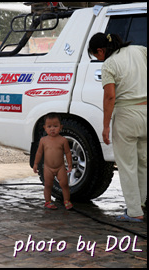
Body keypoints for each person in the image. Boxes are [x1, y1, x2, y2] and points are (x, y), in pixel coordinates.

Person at [88, 32, 147, 222]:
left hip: (127, 116)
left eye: (96, 56)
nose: (98, 60)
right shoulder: (140, 50)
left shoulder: (110, 64)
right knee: (143, 162)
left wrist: (106, 126)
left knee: (127, 165)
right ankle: (141, 202)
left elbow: (110, 97)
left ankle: (134, 211)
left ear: (100, 50)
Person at [33, 113, 73, 210]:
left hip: (60, 167)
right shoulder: (43, 140)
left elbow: (68, 153)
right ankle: (48, 201)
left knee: (64, 184)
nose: (52, 129)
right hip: (48, 168)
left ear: (60, 127)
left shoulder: (63, 140)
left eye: (55, 126)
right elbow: (39, 153)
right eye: (49, 126)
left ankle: (67, 200)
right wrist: (35, 164)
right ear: (45, 128)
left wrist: (70, 164)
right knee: (47, 184)